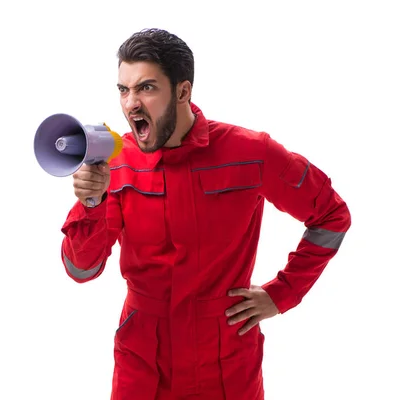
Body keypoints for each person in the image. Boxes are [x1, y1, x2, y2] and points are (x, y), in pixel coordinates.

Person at [59, 28, 351, 400]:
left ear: (182, 91)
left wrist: (283, 293)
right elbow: (81, 269)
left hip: (224, 362)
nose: (131, 102)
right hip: (142, 360)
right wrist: (91, 203)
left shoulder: (249, 153)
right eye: (123, 89)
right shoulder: (115, 162)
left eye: (146, 88)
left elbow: (331, 215)